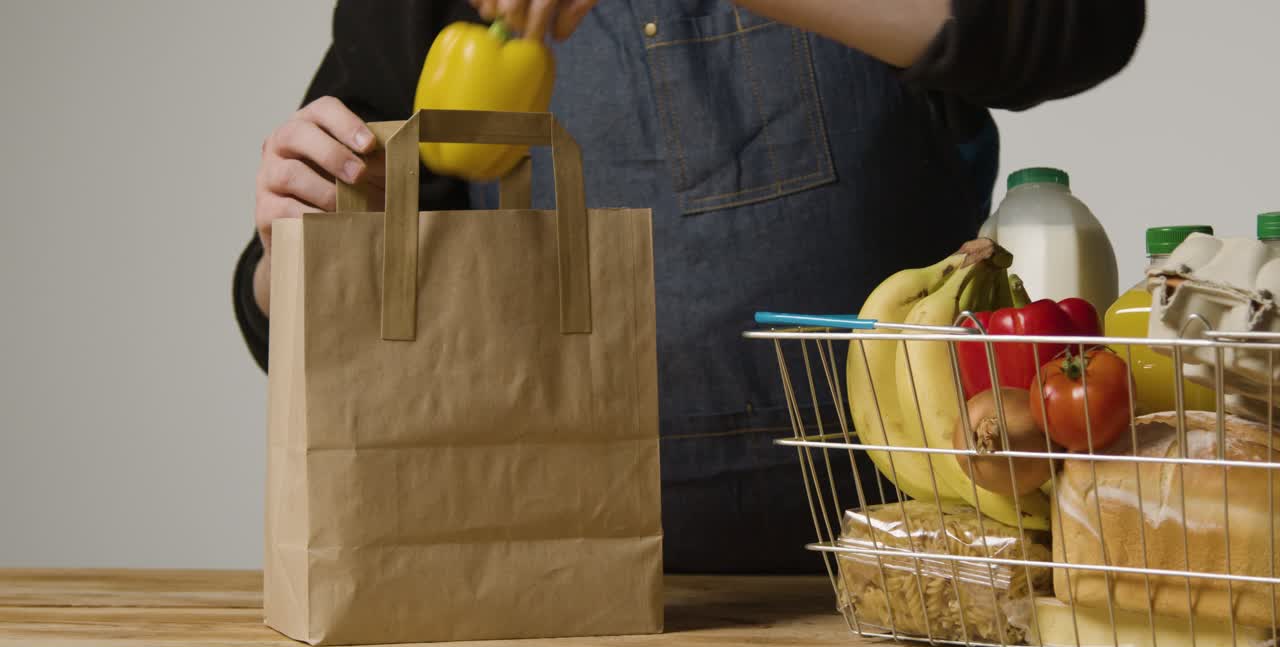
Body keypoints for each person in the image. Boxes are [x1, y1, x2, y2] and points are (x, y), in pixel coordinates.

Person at [235, 0, 1145, 573]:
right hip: (555, 593)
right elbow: (293, 322)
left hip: (919, 585)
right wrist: (298, 251)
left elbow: (1074, 26)